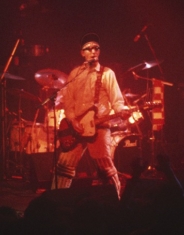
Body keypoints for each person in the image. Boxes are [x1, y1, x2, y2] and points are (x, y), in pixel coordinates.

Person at [51, 33, 129, 197]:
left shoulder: (107, 74)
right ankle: (56, 200)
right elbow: (68, 102)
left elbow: (117, 100)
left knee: (105, 166)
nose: (93, 51)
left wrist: (122, 110)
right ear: (82, 52)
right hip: (76, 127)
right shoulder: (75, 74)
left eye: (96, 48)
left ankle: (117, 200)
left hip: (99, 127)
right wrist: (72, 120)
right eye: (89, 48)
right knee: (64, 166)